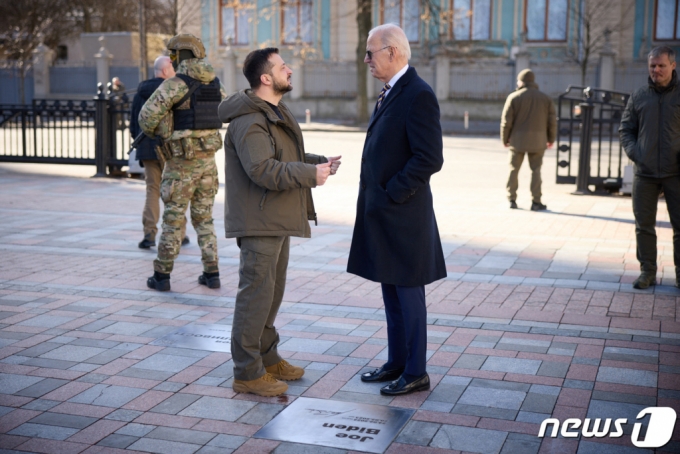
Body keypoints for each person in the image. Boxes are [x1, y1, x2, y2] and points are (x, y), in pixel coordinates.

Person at [218, 48, 341, 397]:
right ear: (265, 78)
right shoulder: (250, 120)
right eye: (282, 66)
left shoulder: (273, 111)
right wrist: (308, 174)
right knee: (255, 297)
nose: (290, 69)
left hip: (275, 217)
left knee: (271, 295)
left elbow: (283, 156)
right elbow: (262, 169)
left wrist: (318, 163)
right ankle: (246, 371)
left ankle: (268, 357)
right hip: (259, 220)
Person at [347, 24, 445, 396]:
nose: (367, 59)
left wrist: (392, 194)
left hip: (404, 214)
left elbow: (429, 157)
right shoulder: (392, 92)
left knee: (408, 294)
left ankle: (416, 370)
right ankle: (397, 362)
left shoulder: (418, 94)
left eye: (371, 52)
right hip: (386, 213)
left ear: (393, 52)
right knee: (391, 291)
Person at [139, 33, 225, 292]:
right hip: (208, 165)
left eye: (174, 55)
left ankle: (162, 276)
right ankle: (212, 274)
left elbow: (146, 118)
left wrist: (165, 130)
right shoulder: (215, 84)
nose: (173, 60)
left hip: (179, 165)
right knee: (205, 220)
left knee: (173, 220)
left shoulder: (175, 84)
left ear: (181, 56)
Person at [620, 46, 680, 290]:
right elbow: (626, 129)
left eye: (661, 65)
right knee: (644, 225)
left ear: (673, 66)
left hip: (676, 172)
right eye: (652, 66)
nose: (656, 70)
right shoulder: (639, 95)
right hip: (644, 173)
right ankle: (647, 271)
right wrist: (637, 154)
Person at [129, 55, 189, 250]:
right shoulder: (173, 91)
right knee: (175, 192)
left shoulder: (140, 92)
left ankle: (149, 234)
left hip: (147, 148)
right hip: (170, 149)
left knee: (152, 191)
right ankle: (180, 234)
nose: (175, 73)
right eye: (172, 70)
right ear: (165, 72)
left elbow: (133, 125)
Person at [500, 68, 556, 211]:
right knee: (536, 171)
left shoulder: (514, 97)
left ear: (521, 81)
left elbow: (506, 122)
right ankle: (536, 202)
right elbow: (552, 121)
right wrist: (551, 139)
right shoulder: (545, 98)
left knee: (513, 170)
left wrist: (504, 139)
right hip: (538, 141)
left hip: (517, 141)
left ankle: (511, 199)